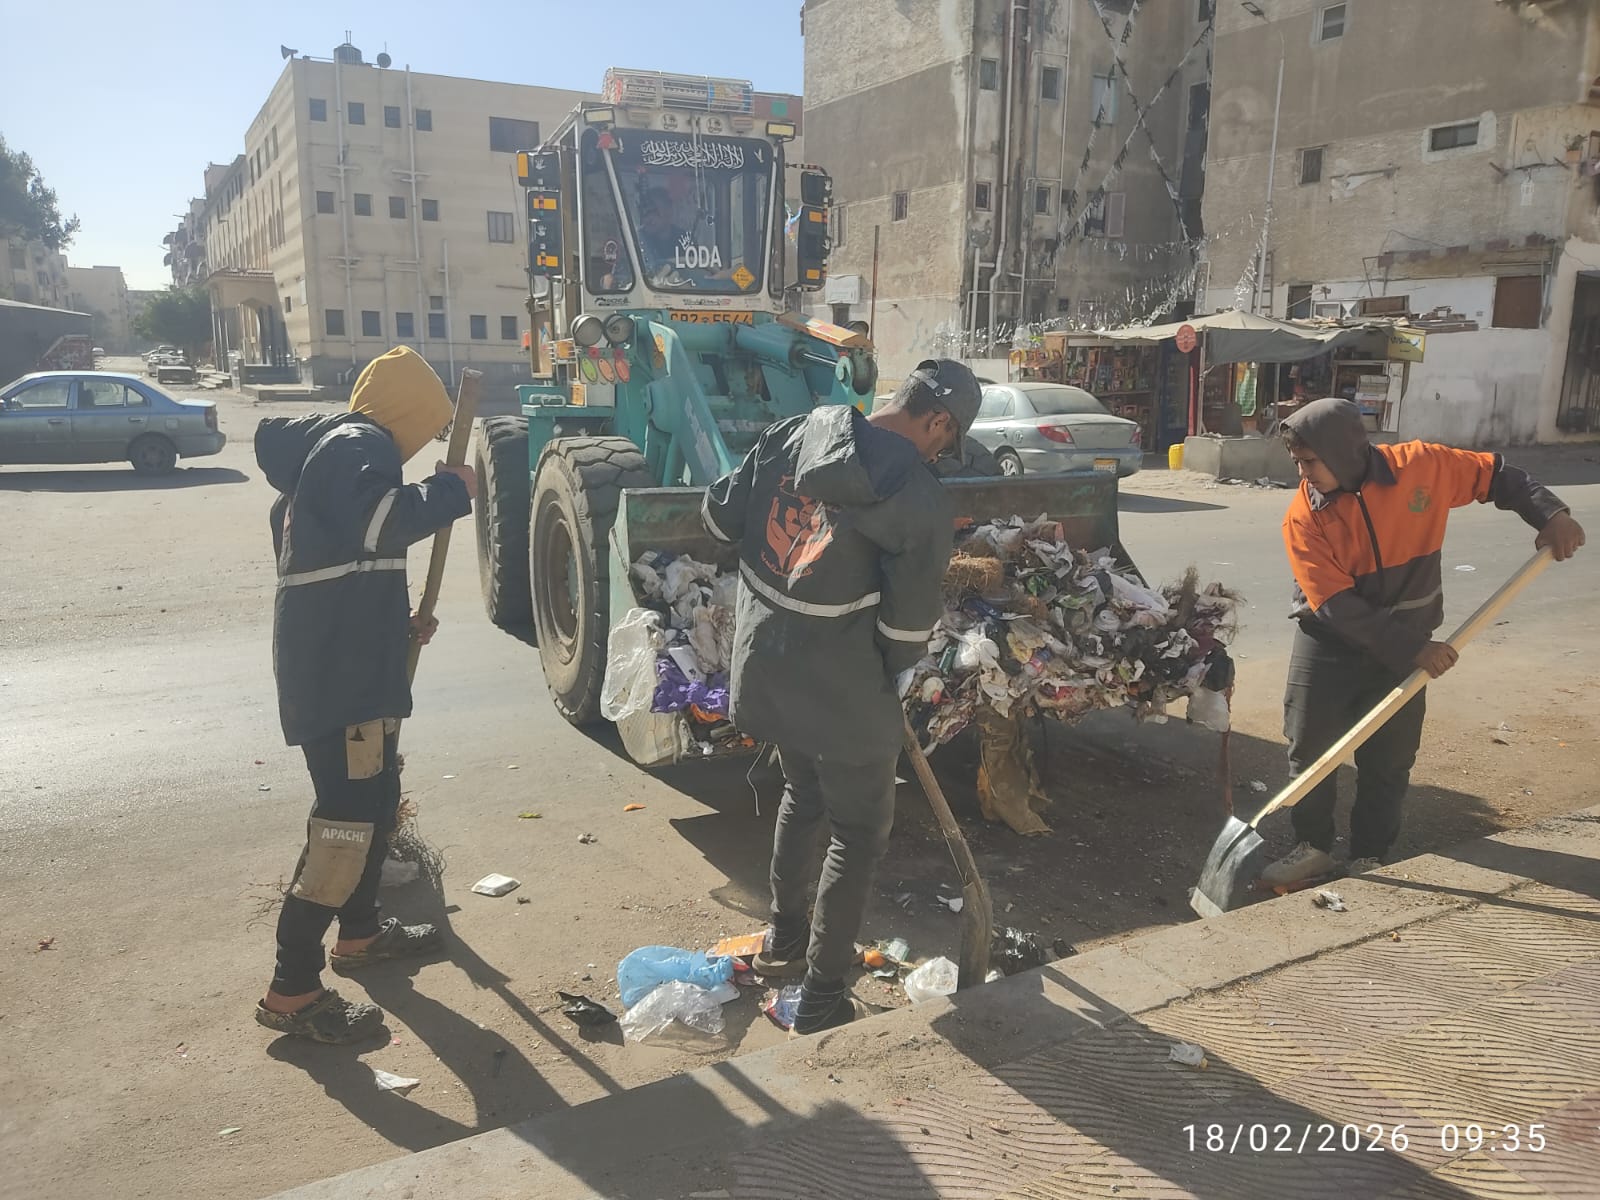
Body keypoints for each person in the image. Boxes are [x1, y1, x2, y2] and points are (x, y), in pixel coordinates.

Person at [702, 359, 981, 1034]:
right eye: (946, 439)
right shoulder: (916, 494)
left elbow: (718, 519)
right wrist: (895, 676)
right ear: (936, 421)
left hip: (766, 671)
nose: (940, 454)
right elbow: (907, 627)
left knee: (802, 793)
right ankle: (822, 995)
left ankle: (784, 940)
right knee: (857, 833)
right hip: (845, 690)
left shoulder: (794, 433)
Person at [1263, 397, 1585, 887]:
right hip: (1329, 643)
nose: (1303, 474)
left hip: (1405, 644)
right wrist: (1413, 651)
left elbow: (1498, 476)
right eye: (1297, 463)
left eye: (1310, 461)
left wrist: (1550, 513)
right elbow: (1335, 604)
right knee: (1309, 748)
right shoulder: (1305, 516)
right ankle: (1313, 846)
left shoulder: (1422, 467)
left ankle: (1370, 854)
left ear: (1343, 451)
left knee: (1389, 759)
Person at [253, 346, 478, 1043]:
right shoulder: (360, 441)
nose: (420, 445)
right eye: (428, 427)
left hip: (345, 668)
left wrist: (395, 621)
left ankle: (360, 934)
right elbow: (383, 522)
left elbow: (342, 562)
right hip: (342, 684)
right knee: (346, 824)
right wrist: (452, 489)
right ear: (407, 412)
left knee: (376, 804)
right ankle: (292, 986)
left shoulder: (327, 457)